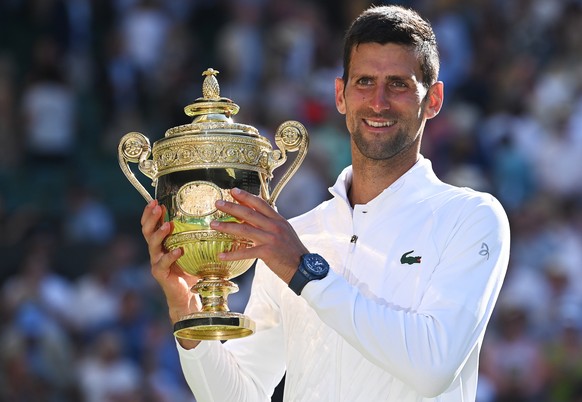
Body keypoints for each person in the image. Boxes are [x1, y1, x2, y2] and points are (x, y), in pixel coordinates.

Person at [140, 5, 510, 401]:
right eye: (364, 82)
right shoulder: (294, 236)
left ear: (433, 99)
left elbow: (433, 368)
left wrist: (303, 270)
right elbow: (238, 395)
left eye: (399, 84)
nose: (379, 102)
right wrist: (185, 308)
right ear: (340, 95)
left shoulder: (471, 217)